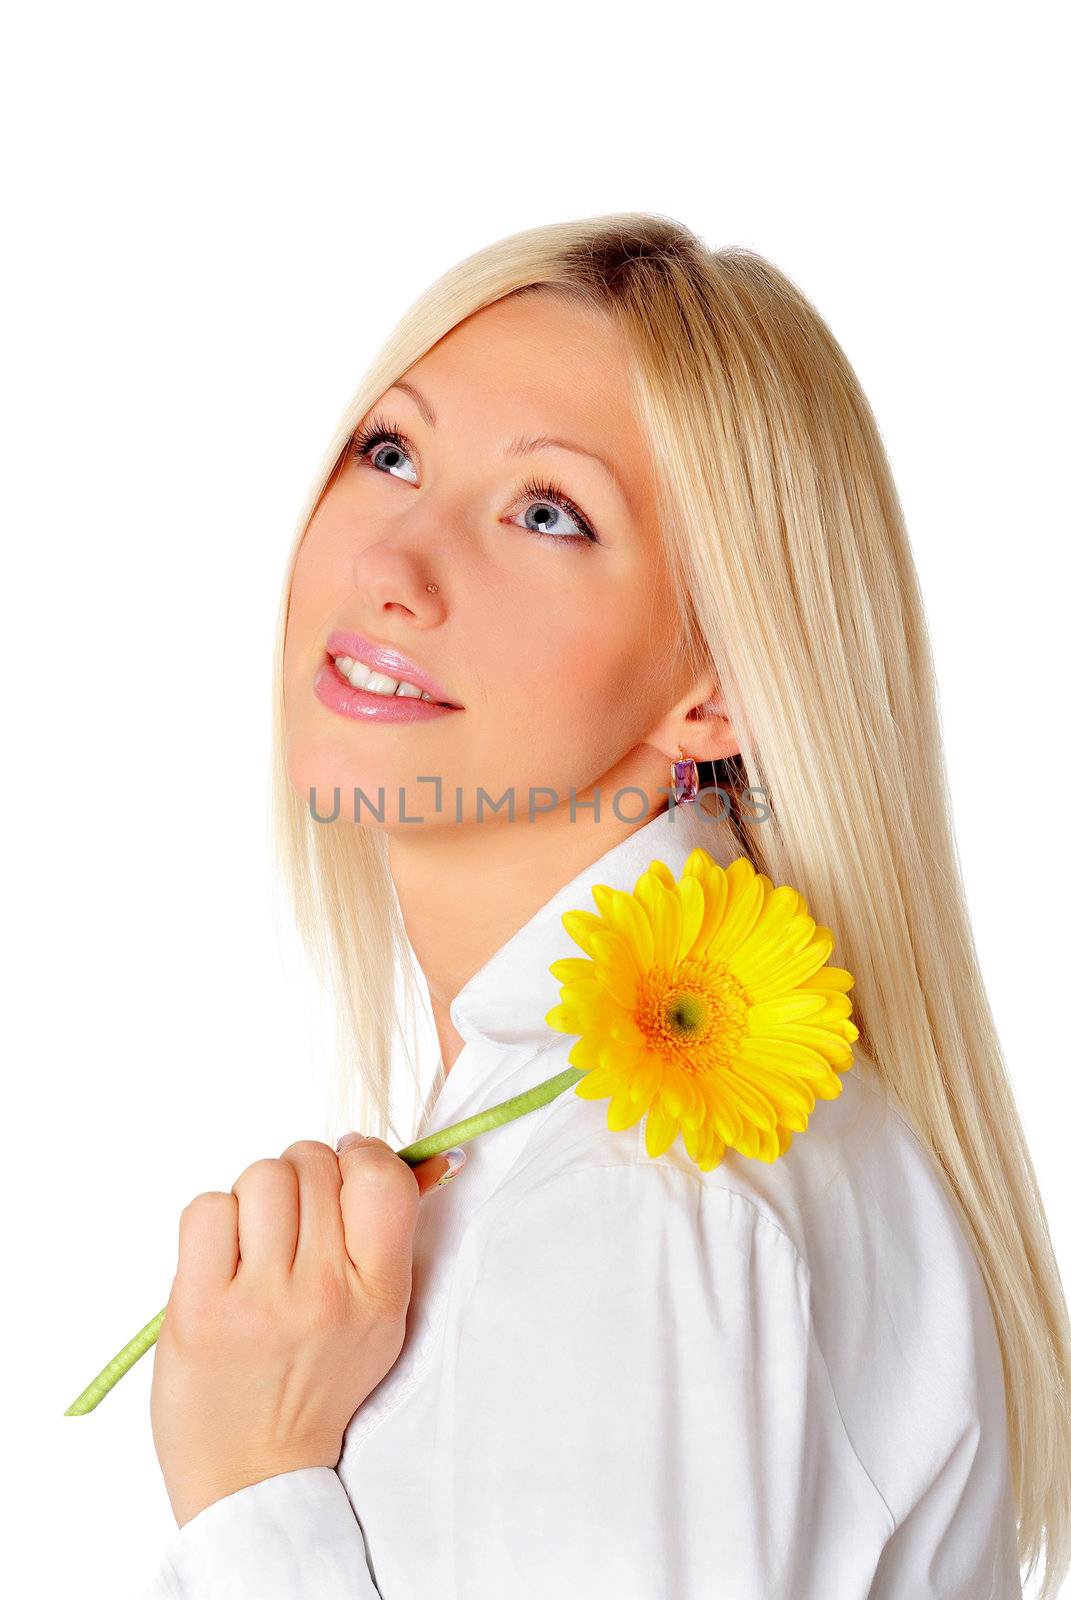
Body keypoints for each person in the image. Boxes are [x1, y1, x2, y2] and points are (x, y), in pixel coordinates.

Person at [139, 214, 1069, 1599]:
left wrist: (252, 1487)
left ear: (719, 686)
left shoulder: (636, 1185)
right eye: (390, 452)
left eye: (547, 513)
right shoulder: (664, 1130)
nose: (392, 563)